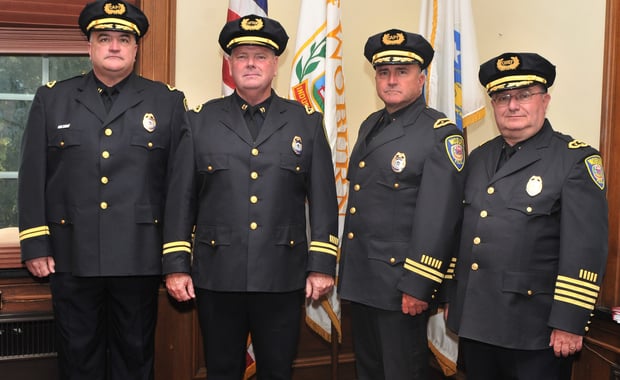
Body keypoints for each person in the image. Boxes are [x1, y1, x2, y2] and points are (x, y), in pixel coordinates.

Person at [162, 14, 339, 380]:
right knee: (222, 369)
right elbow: (181, 198)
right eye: (242, 56)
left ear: (275, 64)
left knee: (277, 369)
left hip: (282, 274)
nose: (251, 64)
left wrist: (321, 264)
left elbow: (323, 197)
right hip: (217, 274)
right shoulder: (198, 120)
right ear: (229, 65)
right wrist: (177, 265)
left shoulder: (305, 121)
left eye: (260, 56)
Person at [17, 1, 189, 378]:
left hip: (139, 257)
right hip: (70, 254)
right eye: (104, 38)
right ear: (90, 46)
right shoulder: (53, 99)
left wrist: (175, 256)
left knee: (135, 355)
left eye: (123, 39)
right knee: (78, 358)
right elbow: (32, 175)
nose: (114, 46)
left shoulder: (167, 102)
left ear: (136, 48)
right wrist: (34, 242)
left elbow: (179, 186)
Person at [446, 52, 608, 380]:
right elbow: (463, 234)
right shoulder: (479, 158)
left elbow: (585, 250)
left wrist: (569, 321)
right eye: (502, 97)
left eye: (524, 95)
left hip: (535, 331)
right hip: (477, 322)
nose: (512, 106)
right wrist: (455, 297)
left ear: (545, 100)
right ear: (492, 104)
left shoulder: (574, 161)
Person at [337, 29, 466, 379]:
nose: (391, 80)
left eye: (402, 71)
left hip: (401, 284)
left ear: (422, 78)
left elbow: (439, 218)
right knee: (370, 370)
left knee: (401, 372)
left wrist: (419, 284)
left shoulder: (439, 133)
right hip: (364, 278)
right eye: (383, 72)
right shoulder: (370, 125)